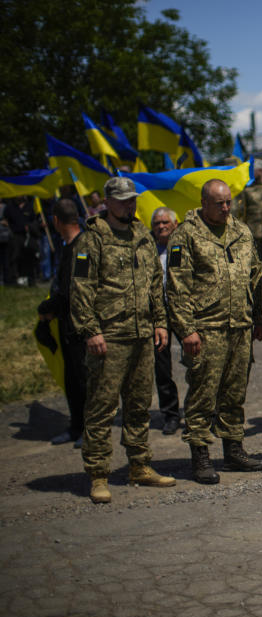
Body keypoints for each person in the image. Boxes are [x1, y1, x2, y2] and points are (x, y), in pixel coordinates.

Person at [69, 177, 174, 503]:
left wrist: (160, 322)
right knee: (101, 408)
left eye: (133, 200)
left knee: (140, 405)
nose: (131, 205)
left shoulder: (142, 235)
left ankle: (139, 465)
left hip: (142, 335)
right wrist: (91, 330)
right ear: (108, 203)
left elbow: (155, 283)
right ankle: (98, 474)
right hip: (109, 338)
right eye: (124, 200)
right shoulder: (92, 240)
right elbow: (81, 289)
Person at [166, 179, 262, 484]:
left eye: (229, 202)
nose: (226, 208)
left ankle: (234, 450)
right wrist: (186, 330)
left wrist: (260, 316)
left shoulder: (241, 231)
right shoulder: (185, 235)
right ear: (203, 202)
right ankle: (200, 456)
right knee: (202, 393)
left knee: (235, 391)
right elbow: (176, 286)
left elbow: (256, 274)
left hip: (240, 325)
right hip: (205, 328)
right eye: (219, 203)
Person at [39, 198, 86, 448]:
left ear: (56, 221)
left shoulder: (82, 247)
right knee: (71, 378)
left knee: (83, 379)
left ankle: (87, 430)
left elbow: (73, 289)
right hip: (66, 325)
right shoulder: (66, 246)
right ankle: (75, 425)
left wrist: (48, 308)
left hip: (81, 326)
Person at [150, 207, 182, 436]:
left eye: (165, 222)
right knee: (161, 367)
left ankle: (202, 412)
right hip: (157, 314)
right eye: (157, 223)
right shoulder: (146, 250)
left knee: (196, 362)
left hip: (182, 311)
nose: (161, 226)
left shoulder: (185, 246)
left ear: (175, 224)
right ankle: (170, 414)